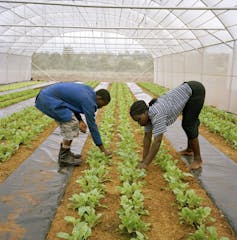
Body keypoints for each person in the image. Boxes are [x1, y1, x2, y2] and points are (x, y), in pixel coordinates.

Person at [129, 81, 205, 170]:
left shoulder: (157, 114)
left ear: (145, 112)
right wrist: (144, 159)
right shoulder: (147, 118)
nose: (139, 123)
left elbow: (157, 141)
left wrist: (145, 164)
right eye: (137, 121)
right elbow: (147, 137)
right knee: (187, 123)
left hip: (195, 91)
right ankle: (189, 150)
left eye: (139, 119)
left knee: (189, 124)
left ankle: (198, 159)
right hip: (187, 90)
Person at [35, 82, 112, 167]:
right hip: (48, 99)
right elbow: (92, 126)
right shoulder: (89, 101)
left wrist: (80, 120)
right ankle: (63, 157)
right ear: (99, 98)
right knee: (71, 124)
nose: (101, 107)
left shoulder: (89, 92)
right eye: (102, 104)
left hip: (48, 96)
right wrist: (103, 150)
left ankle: (66, 152)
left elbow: (71, 104)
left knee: (73, 122)